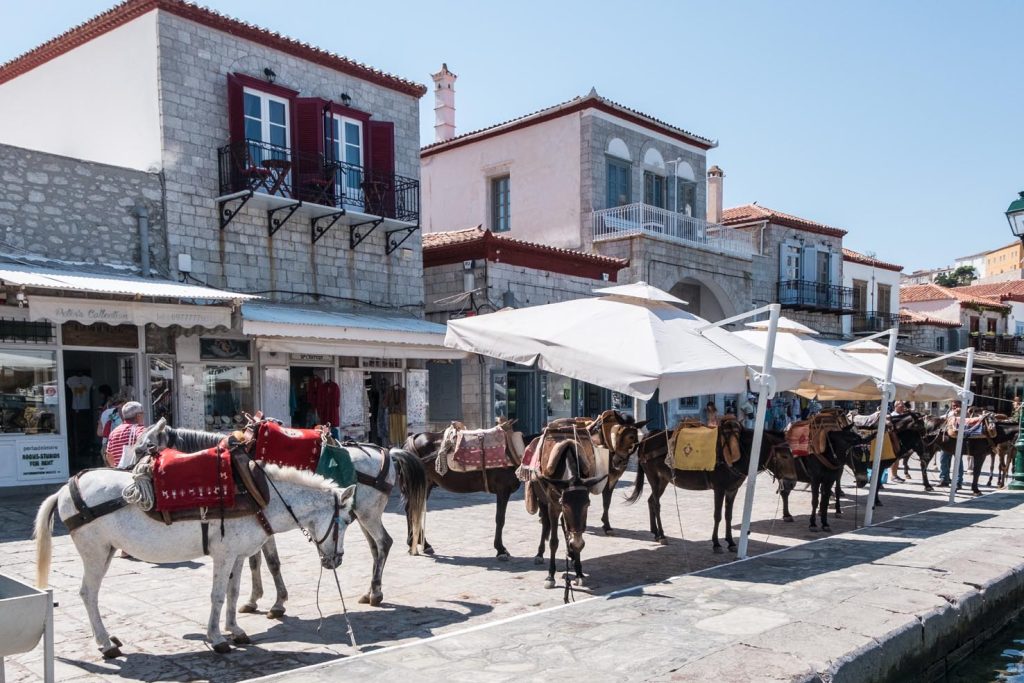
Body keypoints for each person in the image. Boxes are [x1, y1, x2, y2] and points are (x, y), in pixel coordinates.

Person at [938, 401, 964, 488]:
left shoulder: (964, 413)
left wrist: (958, 412)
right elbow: (943, 418)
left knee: (958, 462)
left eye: (956, 405)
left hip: (958, 441)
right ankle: (944, 479)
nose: (955, 407)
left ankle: (958, 482)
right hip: (947, 441)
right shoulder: (949, 413)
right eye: (953, 405)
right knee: (943, 460)